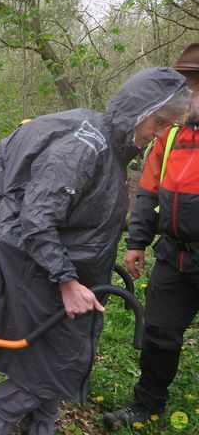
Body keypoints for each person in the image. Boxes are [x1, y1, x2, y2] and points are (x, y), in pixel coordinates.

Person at [0, 67, 191, 435]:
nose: (163, 133)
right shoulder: (86, 148)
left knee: (57, 349)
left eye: (170, 125)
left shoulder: (110, 147)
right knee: (55, 356)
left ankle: (39, 426)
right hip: (34, 257)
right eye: (160, 122)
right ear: (139, 110)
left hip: (58, 261)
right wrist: (66, 281)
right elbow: (38, 217)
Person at [103, 44, 199, 430]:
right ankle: (147, 405)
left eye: (193, 85)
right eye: (185, 85)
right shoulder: (169, 133)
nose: (187, 94)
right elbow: (148, 190)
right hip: (175, 254)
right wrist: (138, 242)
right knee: (160, 333)